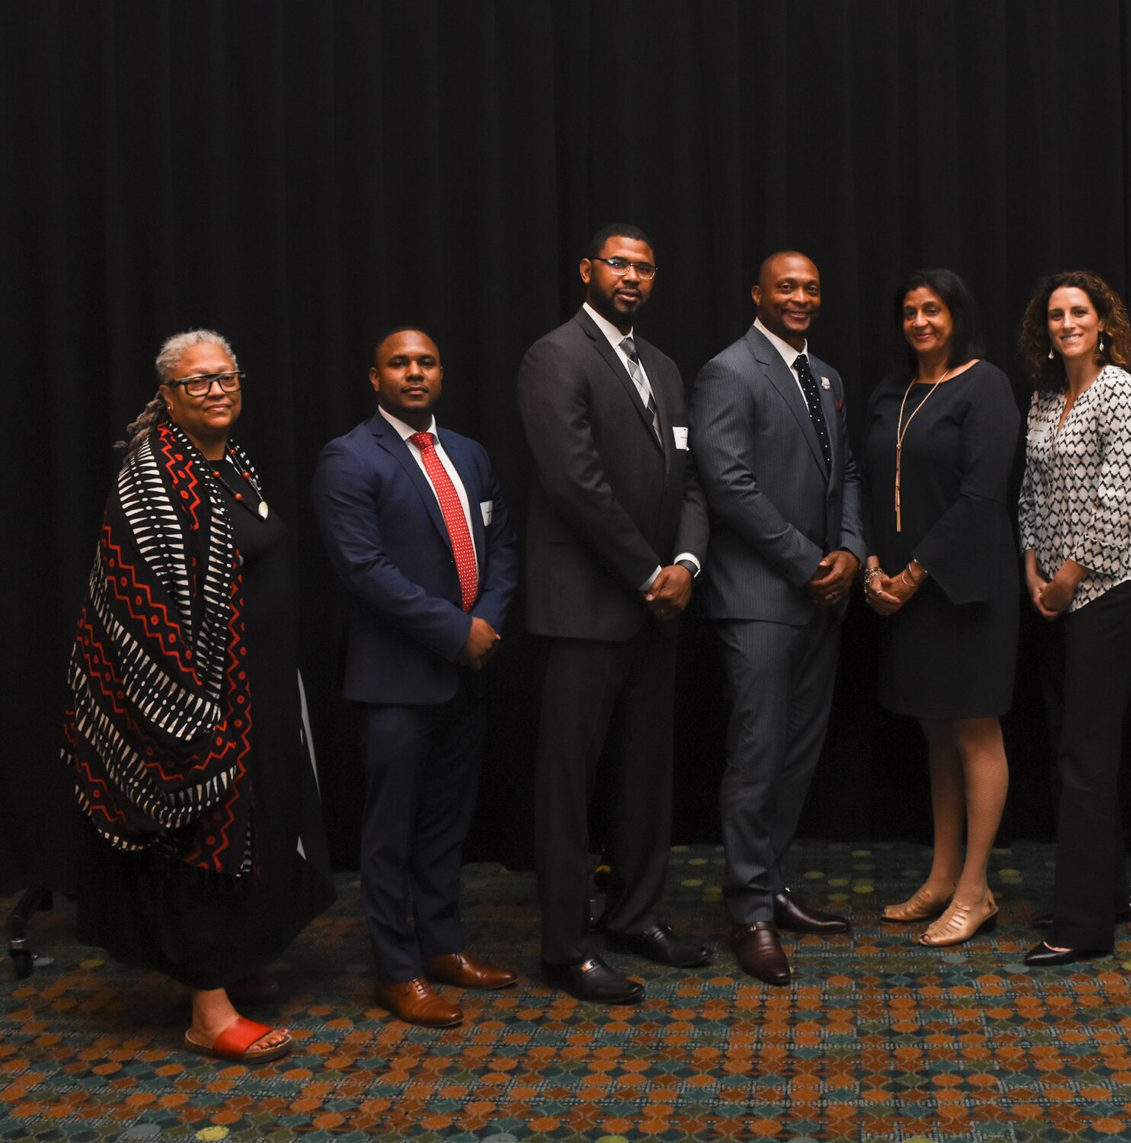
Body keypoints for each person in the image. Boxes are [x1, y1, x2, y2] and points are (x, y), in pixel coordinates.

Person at [62, 330, 333, 1063]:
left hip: (259, 690)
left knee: (260, 830)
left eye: (226, 377)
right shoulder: (151, 480)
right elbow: (137, 607)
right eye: (197, 383)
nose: (216, 391)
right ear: (168, 396)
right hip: (189, 705)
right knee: (205, 840)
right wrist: (192, 716)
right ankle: (208, 1011)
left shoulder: (232, 464)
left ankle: (236, 964)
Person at [517, 223, 712, 1003]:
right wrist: (647, 571)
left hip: (659, 607)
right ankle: (564, 947)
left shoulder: (662, 365)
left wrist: (688, 565)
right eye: (618, 264)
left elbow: (691, 480)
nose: (631, 277)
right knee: (569, 786)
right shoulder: (553, 356)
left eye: (644, 267)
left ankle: (634, 916)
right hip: (585, 609)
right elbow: (574, 482)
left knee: (643, 776)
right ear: (587, 271)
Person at [312, 327, 519, 1026]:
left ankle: (442, 947)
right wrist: (457, 632)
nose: (414, 372)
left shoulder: (468, 454)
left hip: (469, 673)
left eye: (426, 361)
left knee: (444, 825)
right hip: (397, 680)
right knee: (390, 832)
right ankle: (396, 970)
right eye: (399, 363)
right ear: (375, 378)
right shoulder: (348, 458)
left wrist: (485, 621)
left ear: (441, 372)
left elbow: (503, 546)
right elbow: (365, 570)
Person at [690, 252, 863, 985]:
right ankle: (749, 911)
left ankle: (772, 884)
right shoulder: (728, 371)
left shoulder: (826, 378)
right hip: (761, 598)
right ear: (757, 293)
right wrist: (808, 561)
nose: (800, 297)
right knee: (758, 754)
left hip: (823, 596)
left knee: (797, 752)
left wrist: (851, 552)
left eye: (811, 287)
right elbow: (726, 482)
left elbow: (847, 473)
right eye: (786, 286)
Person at [860, 268, 1020, 947]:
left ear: (957, 315)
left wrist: (913, 574)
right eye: (910, 311)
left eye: (934, 309)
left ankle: (976, 888)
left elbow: (982, 497)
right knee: (935, 731)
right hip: (900, 587)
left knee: (975, 730)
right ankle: (942, 874)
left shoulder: (986, 386)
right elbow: (861, 483)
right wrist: (873, 564)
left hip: (965, 590)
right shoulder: (889, 391)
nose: (921, 321)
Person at [1015, 271, 1131, 967]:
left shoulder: (1121, 391)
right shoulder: (1044, 397)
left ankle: (1082, 927)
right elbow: (1028, 492)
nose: (1067, 322)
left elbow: (1118, 497)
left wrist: (1071, 575)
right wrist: (1033, 567)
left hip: (1114, 589)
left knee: (1086, 755)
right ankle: (1101, 891)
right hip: (1055, 592)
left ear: (1104, 322)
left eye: (1079, 312)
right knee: (1068, 748)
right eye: (1056, 314)